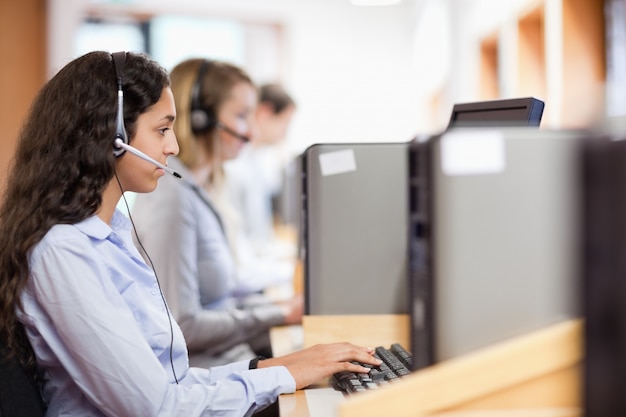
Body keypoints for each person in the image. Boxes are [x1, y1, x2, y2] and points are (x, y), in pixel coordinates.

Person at [0, 50, 381, 416]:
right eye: (162, 129)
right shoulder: (65, 252)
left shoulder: (110, 234)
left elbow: (172, 384)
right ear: (111, 133)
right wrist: (283, 373)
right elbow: (157, 408)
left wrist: (279, 366)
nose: (173, 146)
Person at [130, 58, 301, 367]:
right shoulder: (172, 198)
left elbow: (220, 301)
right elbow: (183, 326)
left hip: (230, 360)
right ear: (200, 119)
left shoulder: (200, 188)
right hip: (208, 375)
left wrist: (280, 308)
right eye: (241, 115)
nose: (250, 131)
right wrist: (280, 312)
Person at [224, 83, 297, 258]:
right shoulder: (235, 166)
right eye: (285, 123)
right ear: (265, 113)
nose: (285, 134)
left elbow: (260, 236)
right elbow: (242, 242)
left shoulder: (257, 162)